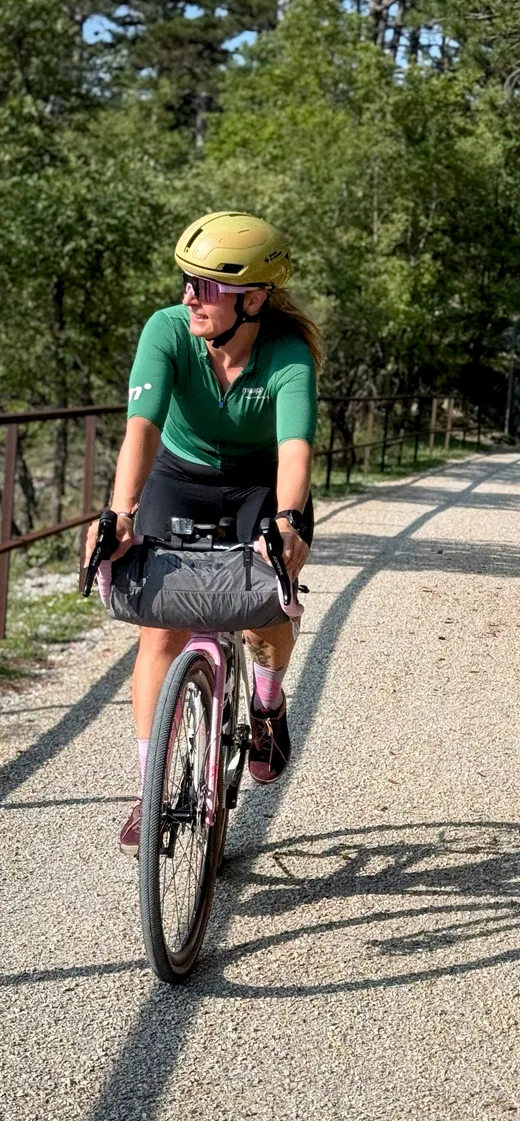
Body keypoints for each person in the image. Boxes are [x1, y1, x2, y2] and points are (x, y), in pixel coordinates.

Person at [85, 211, 323, 856]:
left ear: (254, 298)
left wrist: (287, 524)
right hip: (179, 477)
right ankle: (151, 787)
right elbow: (141, 427)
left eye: (208, 286)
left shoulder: (287, 354)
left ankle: (268, 705)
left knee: (265, 600)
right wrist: (120, 514)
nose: (190, 296)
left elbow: (295, 446)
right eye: (187, 281)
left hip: (261, 484)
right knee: (161, 625)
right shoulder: (167, 330)